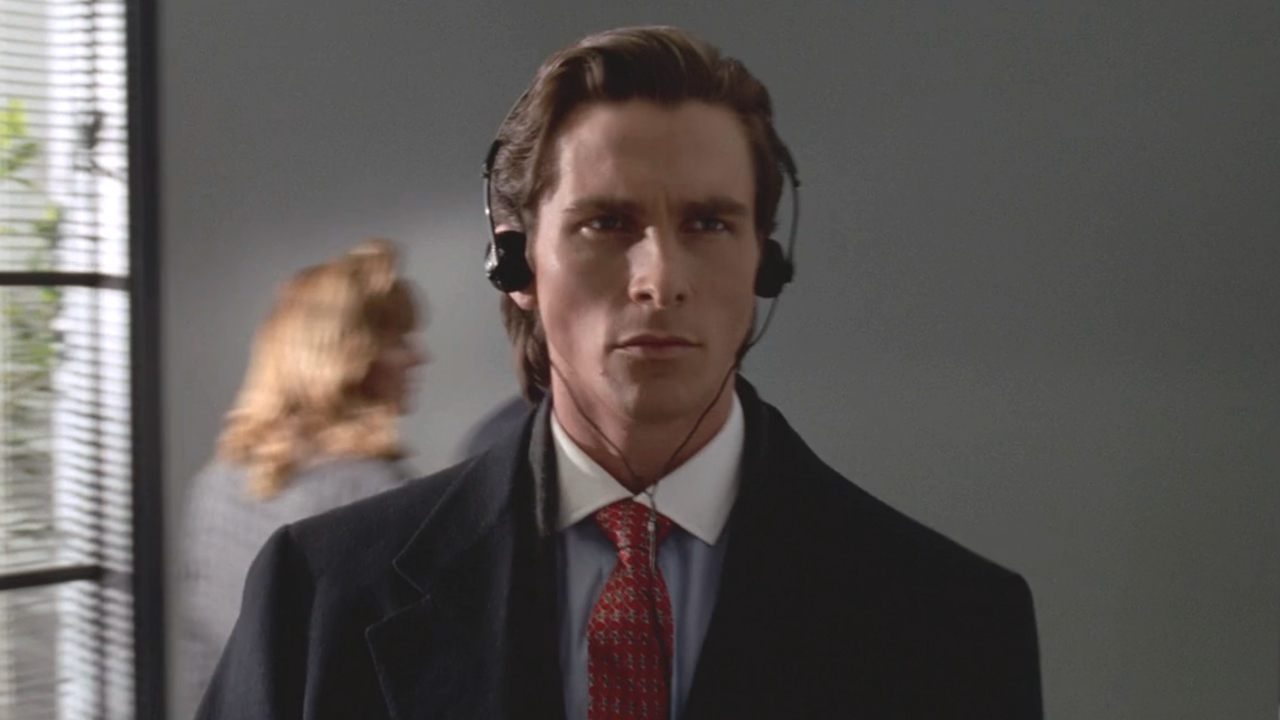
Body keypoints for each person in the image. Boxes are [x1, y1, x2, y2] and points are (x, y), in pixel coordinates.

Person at [195, 27, 1042, 719]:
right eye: (607, 223)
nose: (659, 279)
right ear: (516, 264)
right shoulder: (322, 592)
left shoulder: (951, 621)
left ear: (765, 262)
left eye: (709, 224)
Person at [178, 238, 428, 719]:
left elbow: (204, 666)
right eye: (398, 340)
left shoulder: (215, 483)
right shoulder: (382, 497)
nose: (419, 357)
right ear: (348, 356)